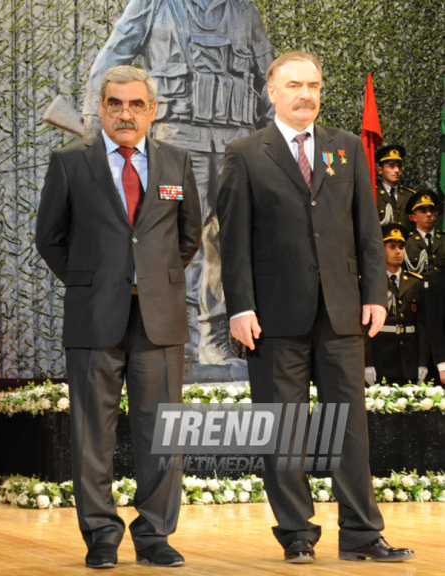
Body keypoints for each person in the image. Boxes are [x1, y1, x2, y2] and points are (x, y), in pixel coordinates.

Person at [218, 51, 414, 563]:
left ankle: (362, 535)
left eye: (314, 85)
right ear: (272, 92)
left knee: (349, 424)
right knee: (282, 428)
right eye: (295, 85)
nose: (306, 94)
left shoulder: (346, 149)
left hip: (342, 313)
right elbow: (232, 242)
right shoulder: (244, 153)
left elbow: (368, 231)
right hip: (273, 318)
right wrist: (239, 307)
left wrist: (375, 294)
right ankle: (297, 534)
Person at [36, 65, 201, 568]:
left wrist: (153, 279)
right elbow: (50, 239)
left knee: (162, 434)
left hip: (159, 319)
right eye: (115, 104)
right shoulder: (69, 162)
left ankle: (154, 535)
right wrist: (92, 282)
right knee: (92, 436)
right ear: (101, 108)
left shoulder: (176, 162)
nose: (125, 113)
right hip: (94, 318)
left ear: (152, 111)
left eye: (135, 104)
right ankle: (101, 536)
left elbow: (188, 235)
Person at [83, 0, 273, 374]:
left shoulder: (244, 9)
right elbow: (108, 62)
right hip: (178, 140)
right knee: (177, 240)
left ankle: (217, 339)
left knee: (226, 241)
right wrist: (94, 123)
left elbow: (265, 80)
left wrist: (269, 145)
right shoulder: (152, 4)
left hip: (236, 140)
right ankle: (181, 339)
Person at [364, 224, 428, 385]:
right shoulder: (369, 282)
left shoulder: (416, 282)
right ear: (381, 249)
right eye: (392, 247)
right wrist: (367, 362)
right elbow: (363, 328)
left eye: (401, 247)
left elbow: (423, 326)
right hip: (381, 358)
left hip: (409, 359)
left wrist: (423, 362)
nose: (398, 251)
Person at [403, 190, 445, 279]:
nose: (429, 214)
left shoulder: (443, 239)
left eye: (431, 210)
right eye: (423, 211)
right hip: (418, 290)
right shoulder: (407, 242)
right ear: (413, 218)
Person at [374, 144, 415, 228]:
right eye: (392, 166)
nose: (397, 170)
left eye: (399, 166)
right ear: (380, 170)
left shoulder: (410, 196)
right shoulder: (373, 195)